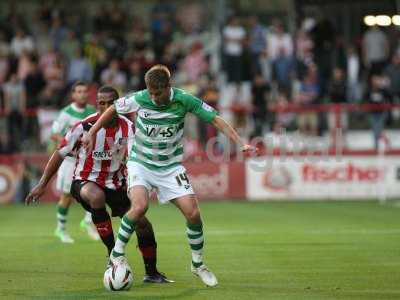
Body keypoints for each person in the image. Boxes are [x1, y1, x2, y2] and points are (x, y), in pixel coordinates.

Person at [83, 65, 256, 287]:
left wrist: (240, 143)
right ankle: (117, 255)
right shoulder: (140, 97)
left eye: (158, 93)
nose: (153, 98)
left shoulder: (185, 100)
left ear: (168, 87)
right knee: (139, 207)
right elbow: (113, 109)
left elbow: (215, 119)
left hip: (170, 167)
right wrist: (92, 131)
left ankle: (198, 264)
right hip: (141, 164)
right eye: (151, 93)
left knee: (193, 214)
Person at [25, 85, 172, 283]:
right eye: (101, 103)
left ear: (118, 104)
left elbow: (134, 159)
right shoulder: (83, 126)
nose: (105, 107)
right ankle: (113, 256)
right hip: (85, 181)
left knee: (144, 225)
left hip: (116, 184)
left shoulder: (128, 127)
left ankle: (152, 273)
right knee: (97, 196)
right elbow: (59, 154)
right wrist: (42, 184)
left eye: (110, 103)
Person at [50, 81, 98, 243]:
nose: (82, 94)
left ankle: (88, 221)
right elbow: (54, 134)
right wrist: (70, 141)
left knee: (97, 190)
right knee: (67, 196)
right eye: (79, 91)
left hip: (87, 160)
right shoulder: (66, 113)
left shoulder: (92, 111)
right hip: (69, 161)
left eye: (85, 91)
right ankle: (61, 229)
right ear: (73, 94)